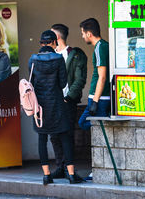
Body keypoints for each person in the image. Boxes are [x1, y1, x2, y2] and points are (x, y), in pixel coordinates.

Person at [29, 30, 83, 185]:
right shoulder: (59, 58)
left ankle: (46, 175)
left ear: (41, 44)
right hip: (57, 105)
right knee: (65, 137)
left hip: (40, 107)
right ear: (54, 42)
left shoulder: (33, 59)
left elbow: (31, 83)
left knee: (42, 138)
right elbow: (63, 83)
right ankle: (71, 175)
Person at [49, 24, 87, 180]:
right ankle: (60, 166)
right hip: (51, 103)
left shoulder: (75, 55)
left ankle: (68, 168)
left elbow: (80, 80)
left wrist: (68, 98)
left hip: (66, 102)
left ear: (57, 38)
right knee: (54, 136)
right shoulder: (48, 55)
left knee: (67, 135)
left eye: (50, 36)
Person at [78, 18, 111, 130]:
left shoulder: (99, 48)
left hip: (99, 98)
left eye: (83, 33)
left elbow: (102, 77)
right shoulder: (105, 45)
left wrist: (95, 101)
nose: (82, 36)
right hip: (103, 96)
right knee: (99, 125)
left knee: (84, 123)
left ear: (89, 34)